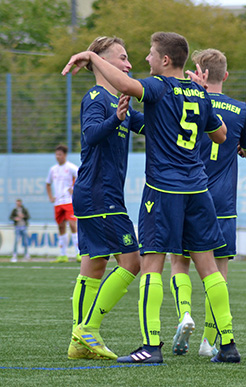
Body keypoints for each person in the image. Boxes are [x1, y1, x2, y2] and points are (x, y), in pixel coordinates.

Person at [63, 31, 240, 364]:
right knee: (210, 269)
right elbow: (221, 135)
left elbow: (132, 89)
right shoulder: (198, 93)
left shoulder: (158, 87)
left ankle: (150, 346)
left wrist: (91, 56)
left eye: (149, 54)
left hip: (164, 190)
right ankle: (228, 344)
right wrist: (200, 99)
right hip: (197, 189)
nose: (143, 60)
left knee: (150, 267)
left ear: (165, 60)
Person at [167, 48, 246, 358]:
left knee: (179, 262)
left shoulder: (188, 102)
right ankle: (208, 341)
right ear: (226, 75)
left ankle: (184, 315)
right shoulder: (240, 110)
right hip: (224, 204)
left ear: (198, 72)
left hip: (190, 194)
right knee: (217, 273)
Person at [67, 36, 144, 361]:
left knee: (94, 266)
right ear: (103, 62)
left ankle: (78, 340)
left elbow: (154, 125)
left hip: (97, 194)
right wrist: (117, 119)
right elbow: (90, 135)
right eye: (122, 58)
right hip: (100, 195)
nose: (128, 65)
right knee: (132, 262)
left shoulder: (120, 101)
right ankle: (89, 328)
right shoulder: (98, 97)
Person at [46, 144, 79, 263]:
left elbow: (81, 176)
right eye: (56, 154)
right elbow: (48, 183)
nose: (57, 156)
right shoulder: (53, 169)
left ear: (64, 155)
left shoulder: (70, 167)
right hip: (58, 202)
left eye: (59, 154)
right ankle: (63, 254)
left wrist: (74, 188)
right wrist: (51, 196)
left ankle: (78, 253)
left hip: (69, 201)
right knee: (60, 227)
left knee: (73, 224)